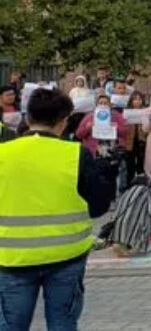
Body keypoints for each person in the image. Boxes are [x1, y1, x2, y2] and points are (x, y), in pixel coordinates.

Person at [0, 88, 115, 330]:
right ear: (63, 121)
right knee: (63, 322)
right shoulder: (75, 154)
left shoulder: (3, 153)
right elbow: (98, 207)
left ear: (28, 117)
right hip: (66, 256)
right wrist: (106, 174)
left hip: (12, 257)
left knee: (11, 325)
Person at [109, 175, 151, 257]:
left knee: (127, 226)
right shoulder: (149, 191)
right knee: (145, 221)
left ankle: (120, 244)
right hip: (135, 224)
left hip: (118, 223)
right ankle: (140, 246)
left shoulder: (127, 191)